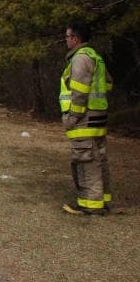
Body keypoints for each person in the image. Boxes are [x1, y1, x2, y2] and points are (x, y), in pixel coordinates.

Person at [60, 21, 112, 215]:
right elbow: (107, 83)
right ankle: (101, 199)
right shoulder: (95, 56)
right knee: (99, 158)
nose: (66, 40)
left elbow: (79, 90)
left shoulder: (80, 58)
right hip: (98, 115)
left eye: (67, 37)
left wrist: (74, 115)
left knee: (85, 159)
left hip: (84, 117)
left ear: (75, 38)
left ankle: (90, 204)